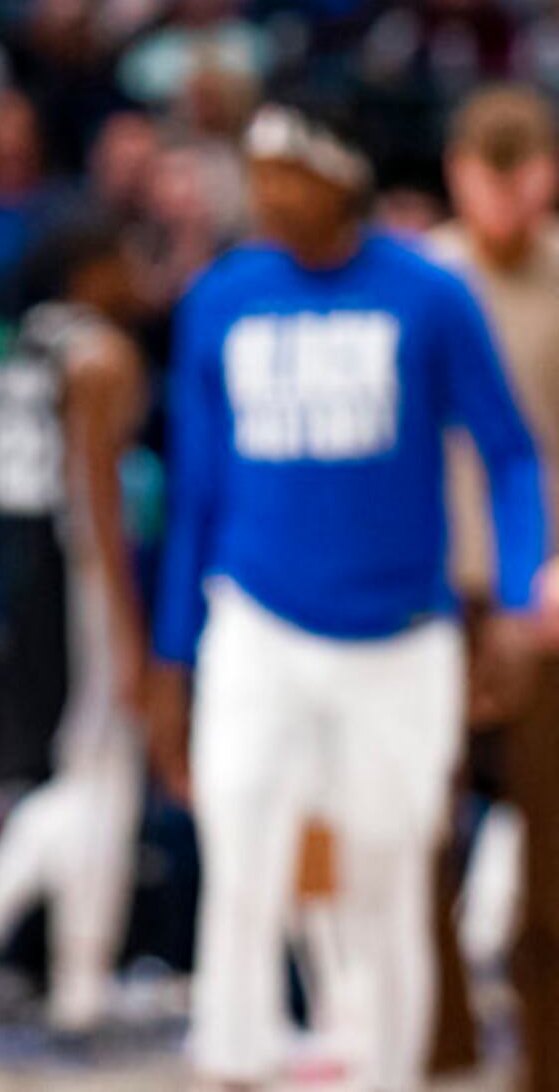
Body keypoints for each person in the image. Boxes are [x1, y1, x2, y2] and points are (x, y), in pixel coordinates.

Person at [148, 100, 552, 1092]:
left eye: (289, 171)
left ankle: (392, 1070)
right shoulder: (220, 297)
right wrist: (171, 653)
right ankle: (232, 1062)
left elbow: (507, 453)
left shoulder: (425, 292)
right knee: (238, 857)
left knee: (388, 874)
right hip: (253, 616)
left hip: (402, 629)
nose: (268, 191)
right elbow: (195, 487)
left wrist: (513, 592)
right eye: (259, 170)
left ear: (342, 179)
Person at [0, 216, 152, 1035]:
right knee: (100, 773)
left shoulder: (21, 344)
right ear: (90, 269)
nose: (137, 277)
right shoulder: (102, 354)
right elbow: (93, 499)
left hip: (15, 579)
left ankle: (78, 982)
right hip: (75, 577)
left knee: (90, 778)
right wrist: (124, 617)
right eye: (124, 258)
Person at [426, 84, 559, 1089]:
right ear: (457, 175)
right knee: (415, 838)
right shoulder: (424, 278)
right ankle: (440, 1047)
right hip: (430, 593)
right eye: (485, 178)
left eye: (521, 179)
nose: (505, 200)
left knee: (549, 851)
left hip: (547, 595)